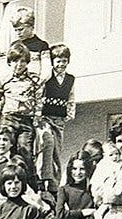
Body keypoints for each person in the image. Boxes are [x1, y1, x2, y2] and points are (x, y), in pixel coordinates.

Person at [0, 41, 43, 189]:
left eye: (22, 61)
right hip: (9, 119)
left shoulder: (33, 80)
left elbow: (39, 100)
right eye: (15, 61)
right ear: (10, 62)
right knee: (7, 150)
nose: (19, 65)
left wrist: (37, 117)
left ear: (27, 62)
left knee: (25, 150)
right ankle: (4, 182)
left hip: (26, 121)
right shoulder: (5, 80)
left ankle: (30, 185)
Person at [38, 44, 76, 192]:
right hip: (45, 118)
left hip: (59, 119)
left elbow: (71, 97)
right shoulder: (47, 77)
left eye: (64, 61)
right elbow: (39, 94)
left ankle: (54, 183)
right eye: (58, 61)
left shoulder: (70, 79)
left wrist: (70, 113)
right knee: (47, 144)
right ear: (52, 62)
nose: (60, 64)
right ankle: (43, 179)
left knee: (57, 151)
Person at [55, 150, 98, 219]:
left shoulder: (93, 189)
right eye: (74, 169)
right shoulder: (64, 189)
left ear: (88, 169)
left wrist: (69, 218)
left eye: (82, 169)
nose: (77, 173)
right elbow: (60, 215)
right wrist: (84, 212)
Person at [10, 6, 51, 82]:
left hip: (35, 84)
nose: (18, 33)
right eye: (16, 30)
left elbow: (46, 70)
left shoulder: (42, 45)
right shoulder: (14, 45)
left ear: (31, 27)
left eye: (21, 29)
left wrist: (38, 84)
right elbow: (9, 68)